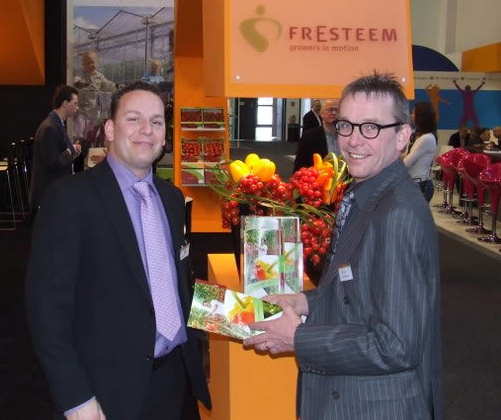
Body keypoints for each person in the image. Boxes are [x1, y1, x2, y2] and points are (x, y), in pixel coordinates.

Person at [244, 73, 443, 420]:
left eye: (371, 127)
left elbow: (396, 345)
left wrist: (299, 338)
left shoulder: (397, 214)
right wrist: (304, 301)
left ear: (402, 136)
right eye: (346, 125)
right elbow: (357, 290)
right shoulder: (365, 193)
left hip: (376, 407)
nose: (353, 140)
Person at [26, 81, 211, 420]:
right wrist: (75, 397)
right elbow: (46, 310)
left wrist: (251, 316)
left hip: (171, 381)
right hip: (104, 391)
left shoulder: (172, 199)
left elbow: (176, 286)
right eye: (134, 119)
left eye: (156, 122)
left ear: (165, 136)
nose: (147, 130)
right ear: (110, 129)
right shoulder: (69, 200)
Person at [29, 85, 82, 216]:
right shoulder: (50, 128)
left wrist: (72, 153)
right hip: (49, 197)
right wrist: (70, 151)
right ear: (65, 103)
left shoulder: (57, 124)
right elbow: (52, 164)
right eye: (75, 103)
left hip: (55, 195)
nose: (77, 107)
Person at [293, 98, 339, 172]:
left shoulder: (346, 135)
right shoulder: (309, 137)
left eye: (337, 110)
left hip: (344, 178)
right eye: (330, 109)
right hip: (319, 177)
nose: (334, 113)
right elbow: (299, 166)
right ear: (321, 113)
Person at [404, 102, 438, 202]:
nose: (411, 115)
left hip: (420, 185)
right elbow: (407, 155)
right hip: (417, 183)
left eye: (413, 113)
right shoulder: (422, 136)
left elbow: (407, 162)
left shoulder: (426, 138)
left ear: (421, 117)